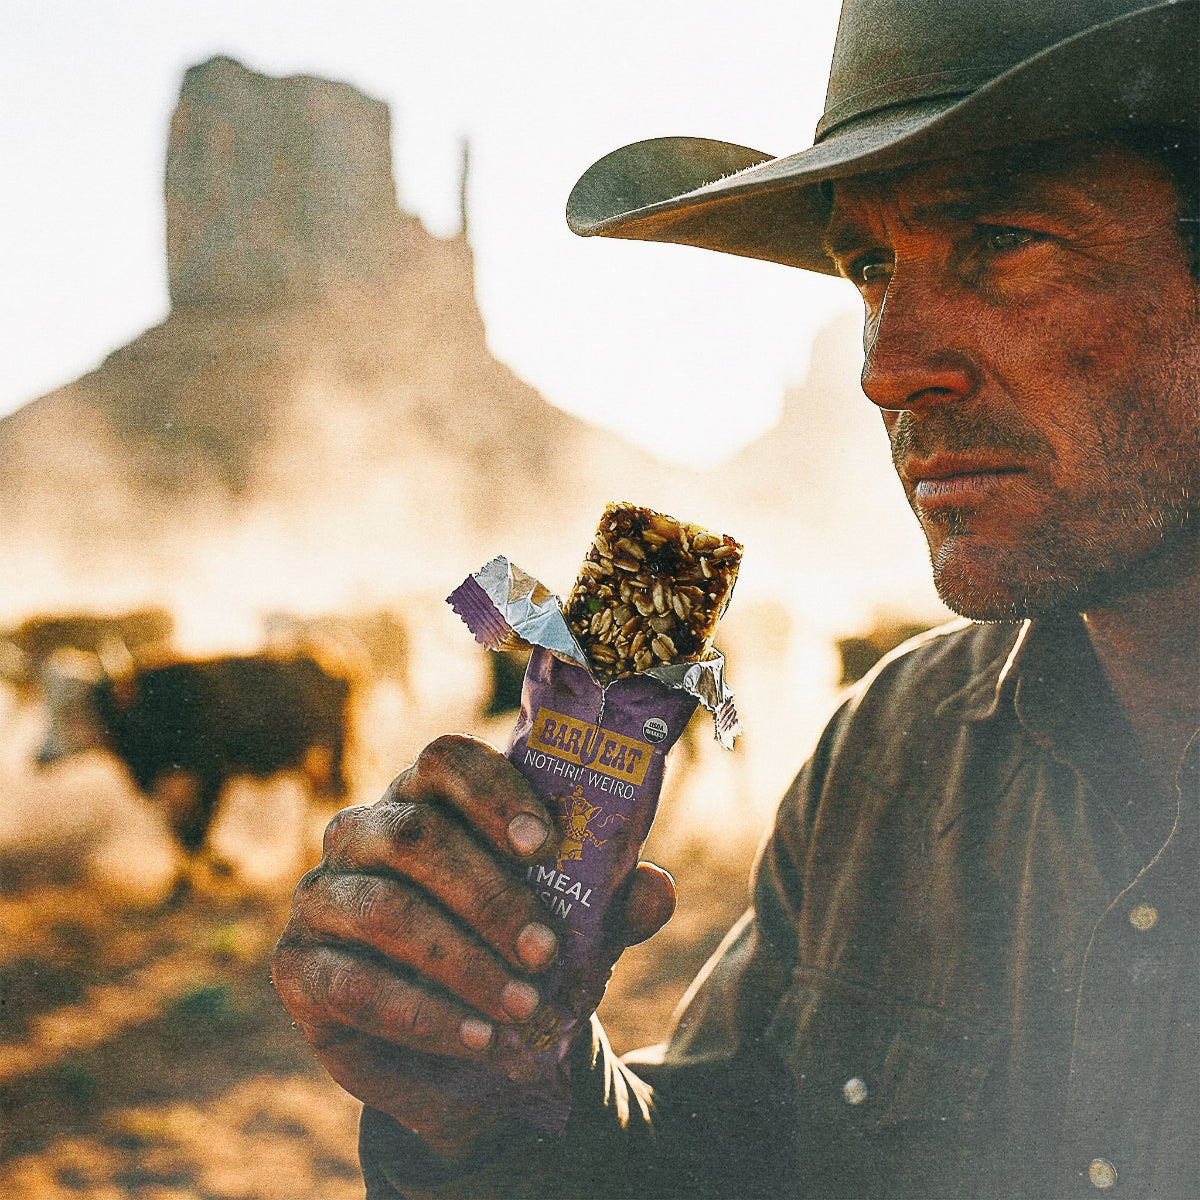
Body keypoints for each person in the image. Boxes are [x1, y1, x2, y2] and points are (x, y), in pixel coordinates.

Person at [270, 0, 1199, 1195]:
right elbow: (725, 1157)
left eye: (1004, 240)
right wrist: (495, 1099)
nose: (884, 367)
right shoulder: (893, 752)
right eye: (868, 266)